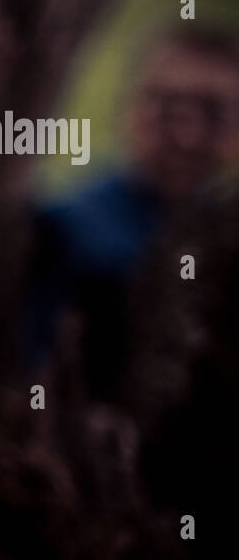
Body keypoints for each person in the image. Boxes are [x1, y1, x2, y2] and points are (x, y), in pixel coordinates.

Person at [26, 27, 239, 401]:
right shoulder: (62, 227)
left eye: (212, 112)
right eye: (168, 105)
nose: (187, 134)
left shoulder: (224, 241)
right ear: (131, 109)